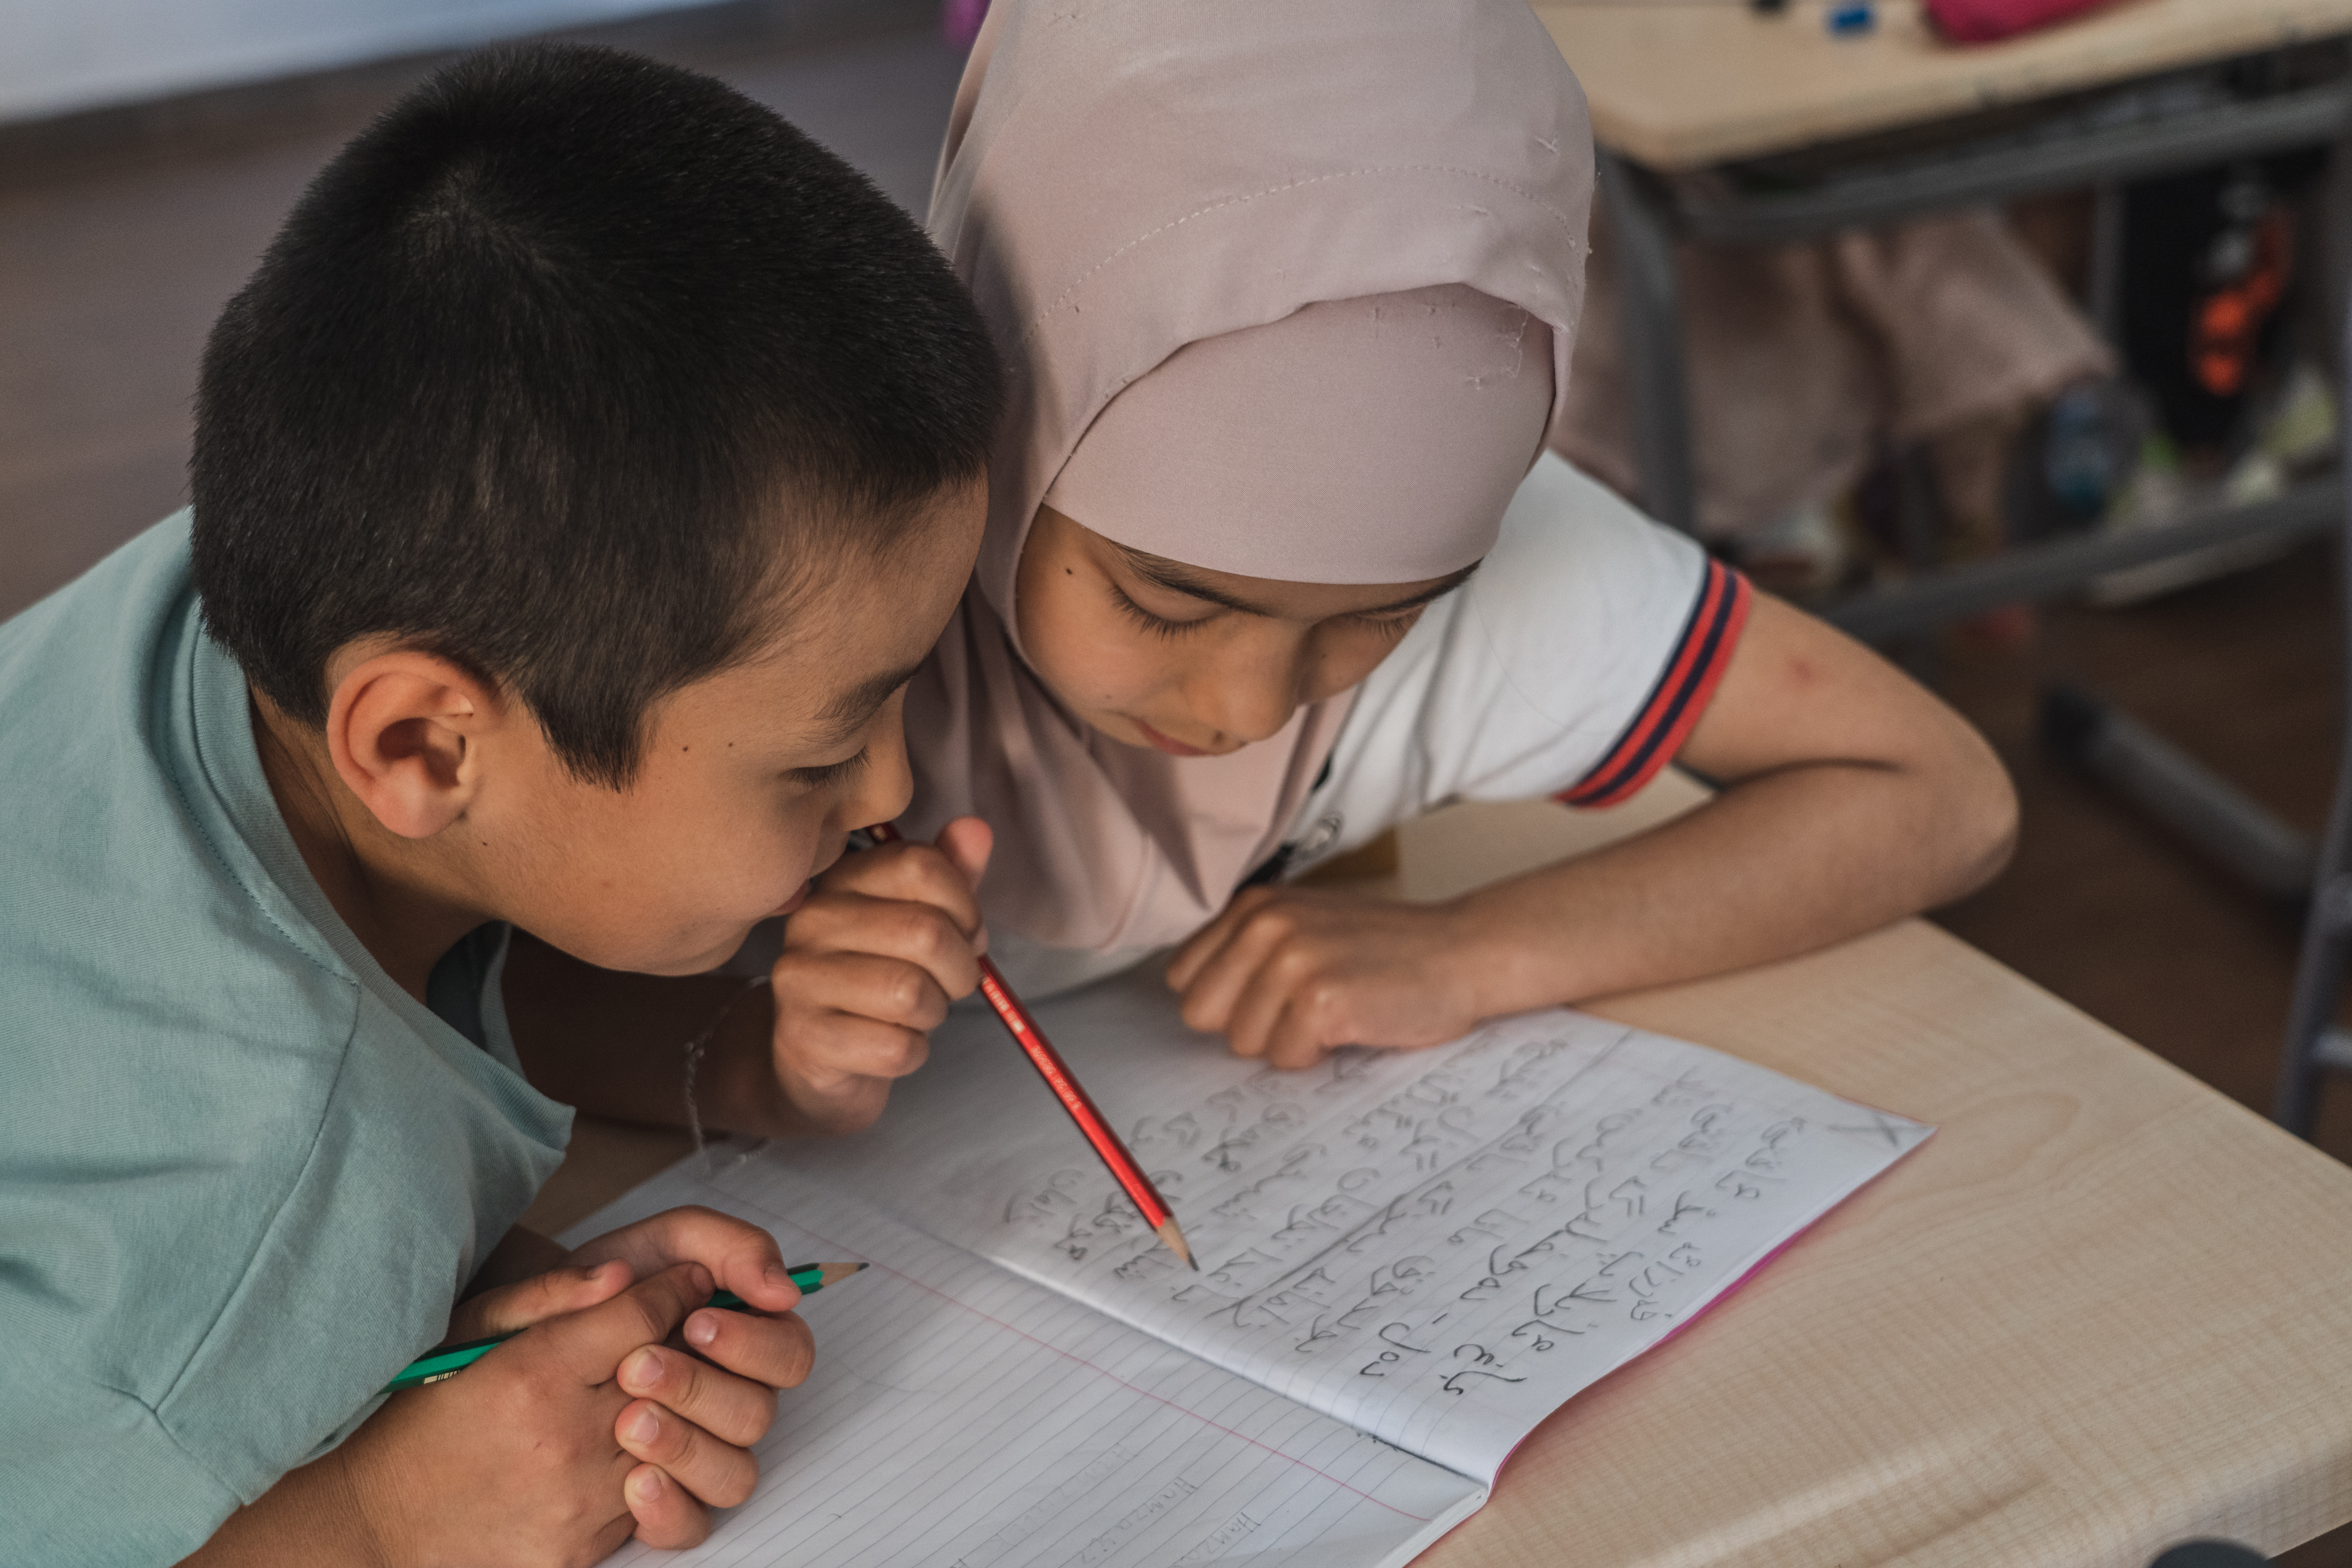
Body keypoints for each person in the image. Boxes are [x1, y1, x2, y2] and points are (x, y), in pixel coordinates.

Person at [512, 0, 2015, 1141]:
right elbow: (477, 981)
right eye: (1170, 597)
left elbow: (1944, 796)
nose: (1245, 706)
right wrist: (759, 1060)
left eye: (1380, 617)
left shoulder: (1478, 554)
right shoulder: (771, 588)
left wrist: (1480, 951)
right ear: (1012, 396)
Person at [0, 43, 1001, 1567]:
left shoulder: (258, 590)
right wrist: (388, 1515)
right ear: (422, 748)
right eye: (816, 754)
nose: (895, 785)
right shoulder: (269, 1187)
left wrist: (469, 1278)